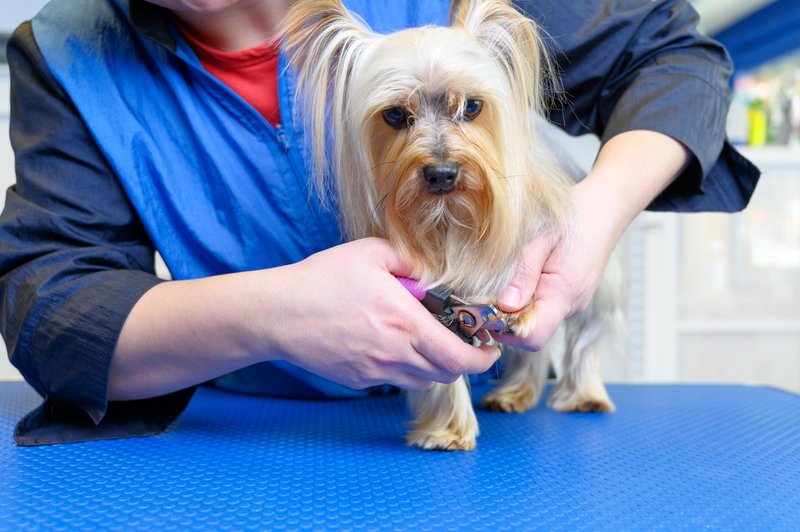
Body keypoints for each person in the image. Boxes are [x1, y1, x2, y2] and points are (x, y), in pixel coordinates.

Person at [0, 0, 759, 445]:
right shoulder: (67, 53)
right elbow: (50, 307)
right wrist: (269, 314)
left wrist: (592, 211)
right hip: (245, 437)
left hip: (500, 442)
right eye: (396, 117)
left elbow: (673, 63)